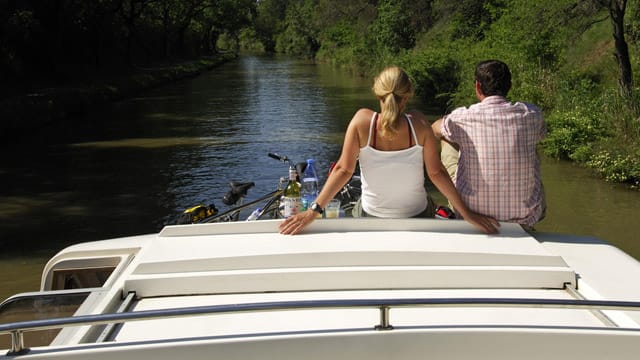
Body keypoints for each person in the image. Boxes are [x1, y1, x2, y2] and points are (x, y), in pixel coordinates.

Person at [279, 66, 500, 235]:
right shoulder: (420, 124)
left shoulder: (361, 121)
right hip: (418, 215)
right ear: (407, 96)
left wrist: (313, 211)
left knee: (354, 204)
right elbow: (436, 174)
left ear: (378, 95)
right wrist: (468, 214)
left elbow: (343, 171)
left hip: (371, 215)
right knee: (432, 202)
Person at [431, 59, 546, 230]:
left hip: (470, 212)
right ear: (509, 85)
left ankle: (462, 207)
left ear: (478, 86)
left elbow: (434, 128)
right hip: (526, 217)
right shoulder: (532, 114)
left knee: (446, 137)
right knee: (531, 148)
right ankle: (521, 216)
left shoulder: (462, 117)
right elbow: (541, 135)